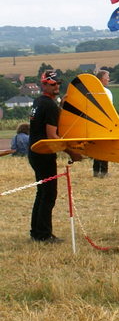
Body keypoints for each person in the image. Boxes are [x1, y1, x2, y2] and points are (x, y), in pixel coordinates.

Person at [28, 71, 65, 243]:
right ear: (44, 85)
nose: (56, 86)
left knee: (41, 192)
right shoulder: (49, 105)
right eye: (52, 84)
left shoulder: (38, 101)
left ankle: (36, 232)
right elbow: (52, 136)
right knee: (49, 194)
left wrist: (61, 107)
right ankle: (44, 234)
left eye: (58, 83)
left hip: (34, 151)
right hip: (44, 153)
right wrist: (71, 151)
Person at [93, 70, 113, 177]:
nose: (108, 79)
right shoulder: (106, 92)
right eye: (107, 77)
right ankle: (104, 171)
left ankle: (96, 170)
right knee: (105, 147)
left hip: (94, 123)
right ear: (101, 79)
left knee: (96, 147)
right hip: (104, 123)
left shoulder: (91, 91)